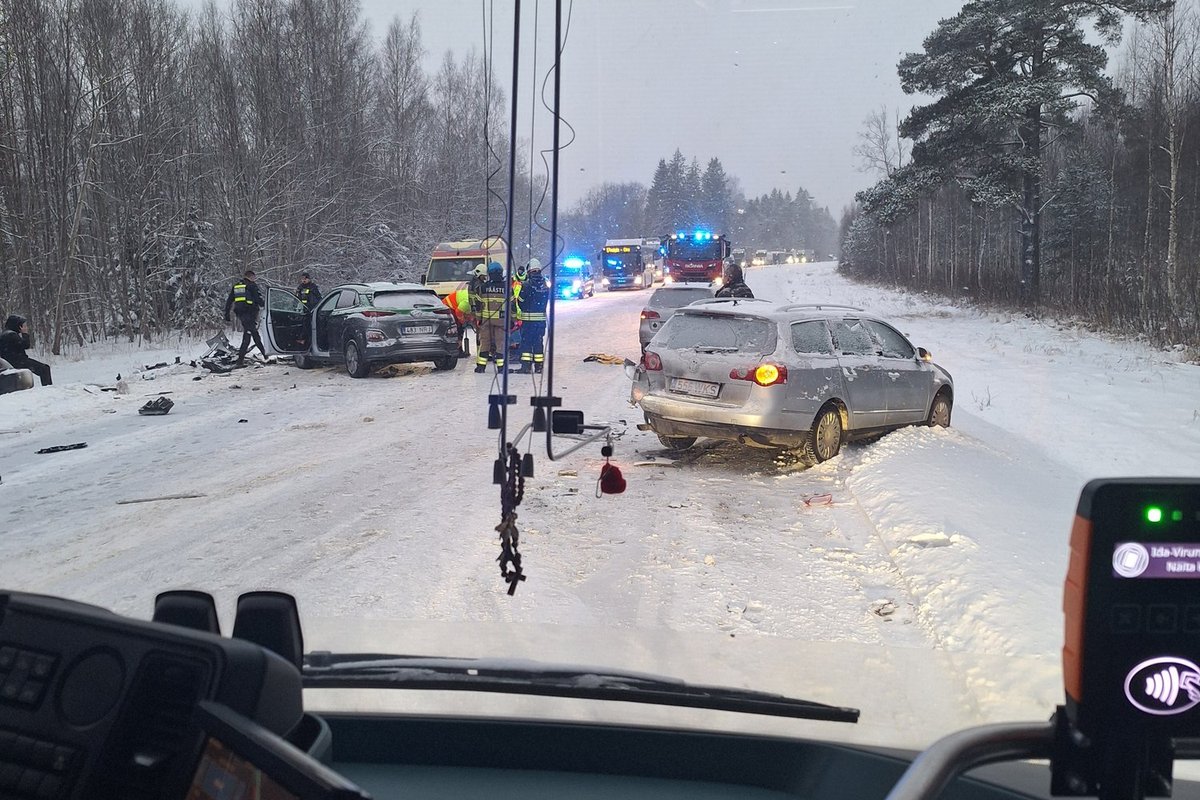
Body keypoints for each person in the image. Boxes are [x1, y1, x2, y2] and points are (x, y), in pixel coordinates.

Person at [470, 261, 510, 373]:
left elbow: (478, 306)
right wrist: (512, 320)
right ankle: (501, 368)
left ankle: (481, 367)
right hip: (501, 321)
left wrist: (478, 319)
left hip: (486, 321)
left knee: (485, 343)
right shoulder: (507, 288)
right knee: (500, 343)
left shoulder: (483, 287)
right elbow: (512, 306)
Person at [224, 269, 267, 365]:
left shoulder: (237, 286)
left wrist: (227, 313)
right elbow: (258, 299)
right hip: (249, 313)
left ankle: (264, 355)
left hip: (241, 314)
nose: (255, 279)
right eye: (254, 277)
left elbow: (230, 300)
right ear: (251, 277)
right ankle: (241, 360)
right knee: (249, 335)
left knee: (253, 334)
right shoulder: (251, 286)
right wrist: (266, 305)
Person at [513, 259, 549, 373]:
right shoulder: (545, 284)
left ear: (529, 271)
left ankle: (526, 367)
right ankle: (539, 367)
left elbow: (521, 301)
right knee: (538, 343)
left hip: (528, 321)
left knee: (526, 344)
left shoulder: (526, 284)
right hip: (541, 321)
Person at [0, 315, 52, 386]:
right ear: (17, 325)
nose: (25, 327)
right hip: (19, 361)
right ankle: (48, 388)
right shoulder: (11, 334)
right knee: (44, 369)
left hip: (9, 362)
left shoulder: (4, 334)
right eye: (22, 325)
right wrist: (25, 334)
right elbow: (25, 345)